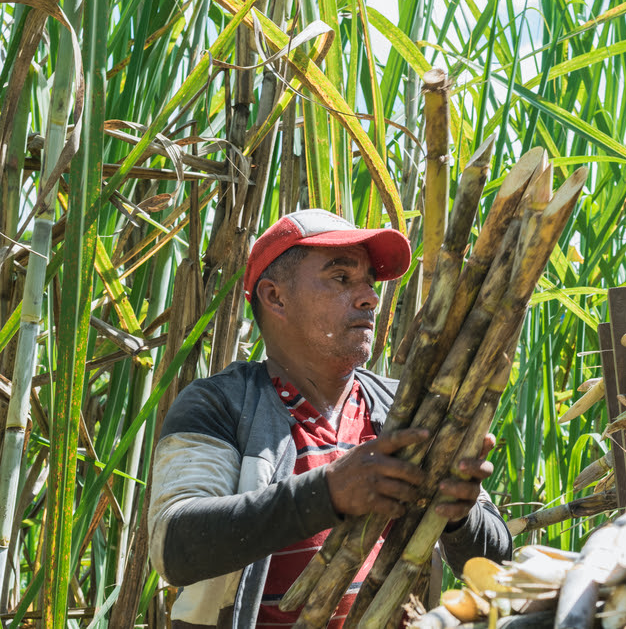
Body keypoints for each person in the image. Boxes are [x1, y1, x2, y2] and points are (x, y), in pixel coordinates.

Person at [148, 209, 513, 628]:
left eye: (370, 283)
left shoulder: (406, 407)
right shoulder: (220, 405)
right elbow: (173, 545)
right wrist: (328, 493)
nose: (370, 298)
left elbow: (498, 564)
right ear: (275, 297)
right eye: (341, 278)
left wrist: (461, 514)